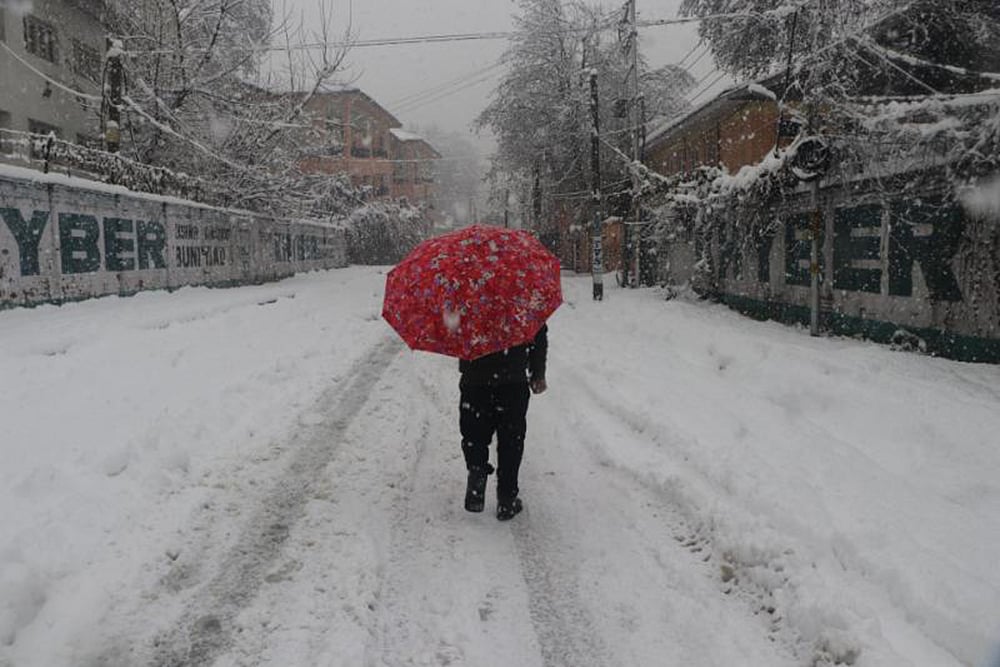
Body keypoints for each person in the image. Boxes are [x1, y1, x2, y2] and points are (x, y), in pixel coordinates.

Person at [459, 324, 548, 520]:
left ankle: (476, 482)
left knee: (474, 434)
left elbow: (453, 332)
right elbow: (538, 333)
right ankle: (507, 500)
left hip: (475, 378)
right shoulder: (522, 305)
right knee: (511, 440)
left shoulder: (465, 305)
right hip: (512, 379)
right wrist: (538, 372)